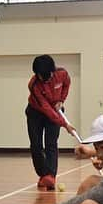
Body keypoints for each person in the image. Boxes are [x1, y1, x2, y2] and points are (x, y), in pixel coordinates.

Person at [25, 54, 75, 190]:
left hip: (55, 109)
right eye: (39, 75)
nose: (42, 78)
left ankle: (50, 177)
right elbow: (46, 109)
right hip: (36, 112)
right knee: (36, 145)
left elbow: (66, 85)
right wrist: (65, 125)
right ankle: (43, 174)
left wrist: (61, 100)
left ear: (52, 71)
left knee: (51, 143)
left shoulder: (62, 74)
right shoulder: (34, 84)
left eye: (44, 75)